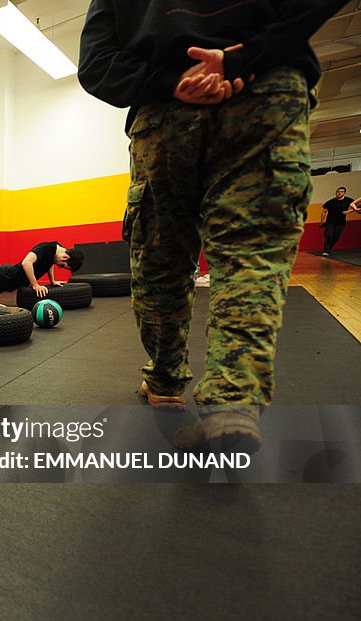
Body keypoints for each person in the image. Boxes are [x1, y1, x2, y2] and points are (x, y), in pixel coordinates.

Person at [78, 0, 348, 449]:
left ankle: (164, 384)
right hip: (266, 95)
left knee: (161, 267)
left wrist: (170, 81)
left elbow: (96, 64)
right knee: (250, 257)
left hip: (164, 115)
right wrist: (246, 55)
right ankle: (232, 404)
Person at [321, 187, 354, 256]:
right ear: (336, 192)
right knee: (329, 236)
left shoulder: (348, 200)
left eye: (341, 192)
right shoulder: (331, 202)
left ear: (344, 193)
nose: (339, 193)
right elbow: (324, 211)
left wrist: (348, 212)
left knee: (335, 237)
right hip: (330, 222)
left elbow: (358, 207)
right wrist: (322, 221)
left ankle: (328, 249)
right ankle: (326, 251)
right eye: (338, 191)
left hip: (341, 223)